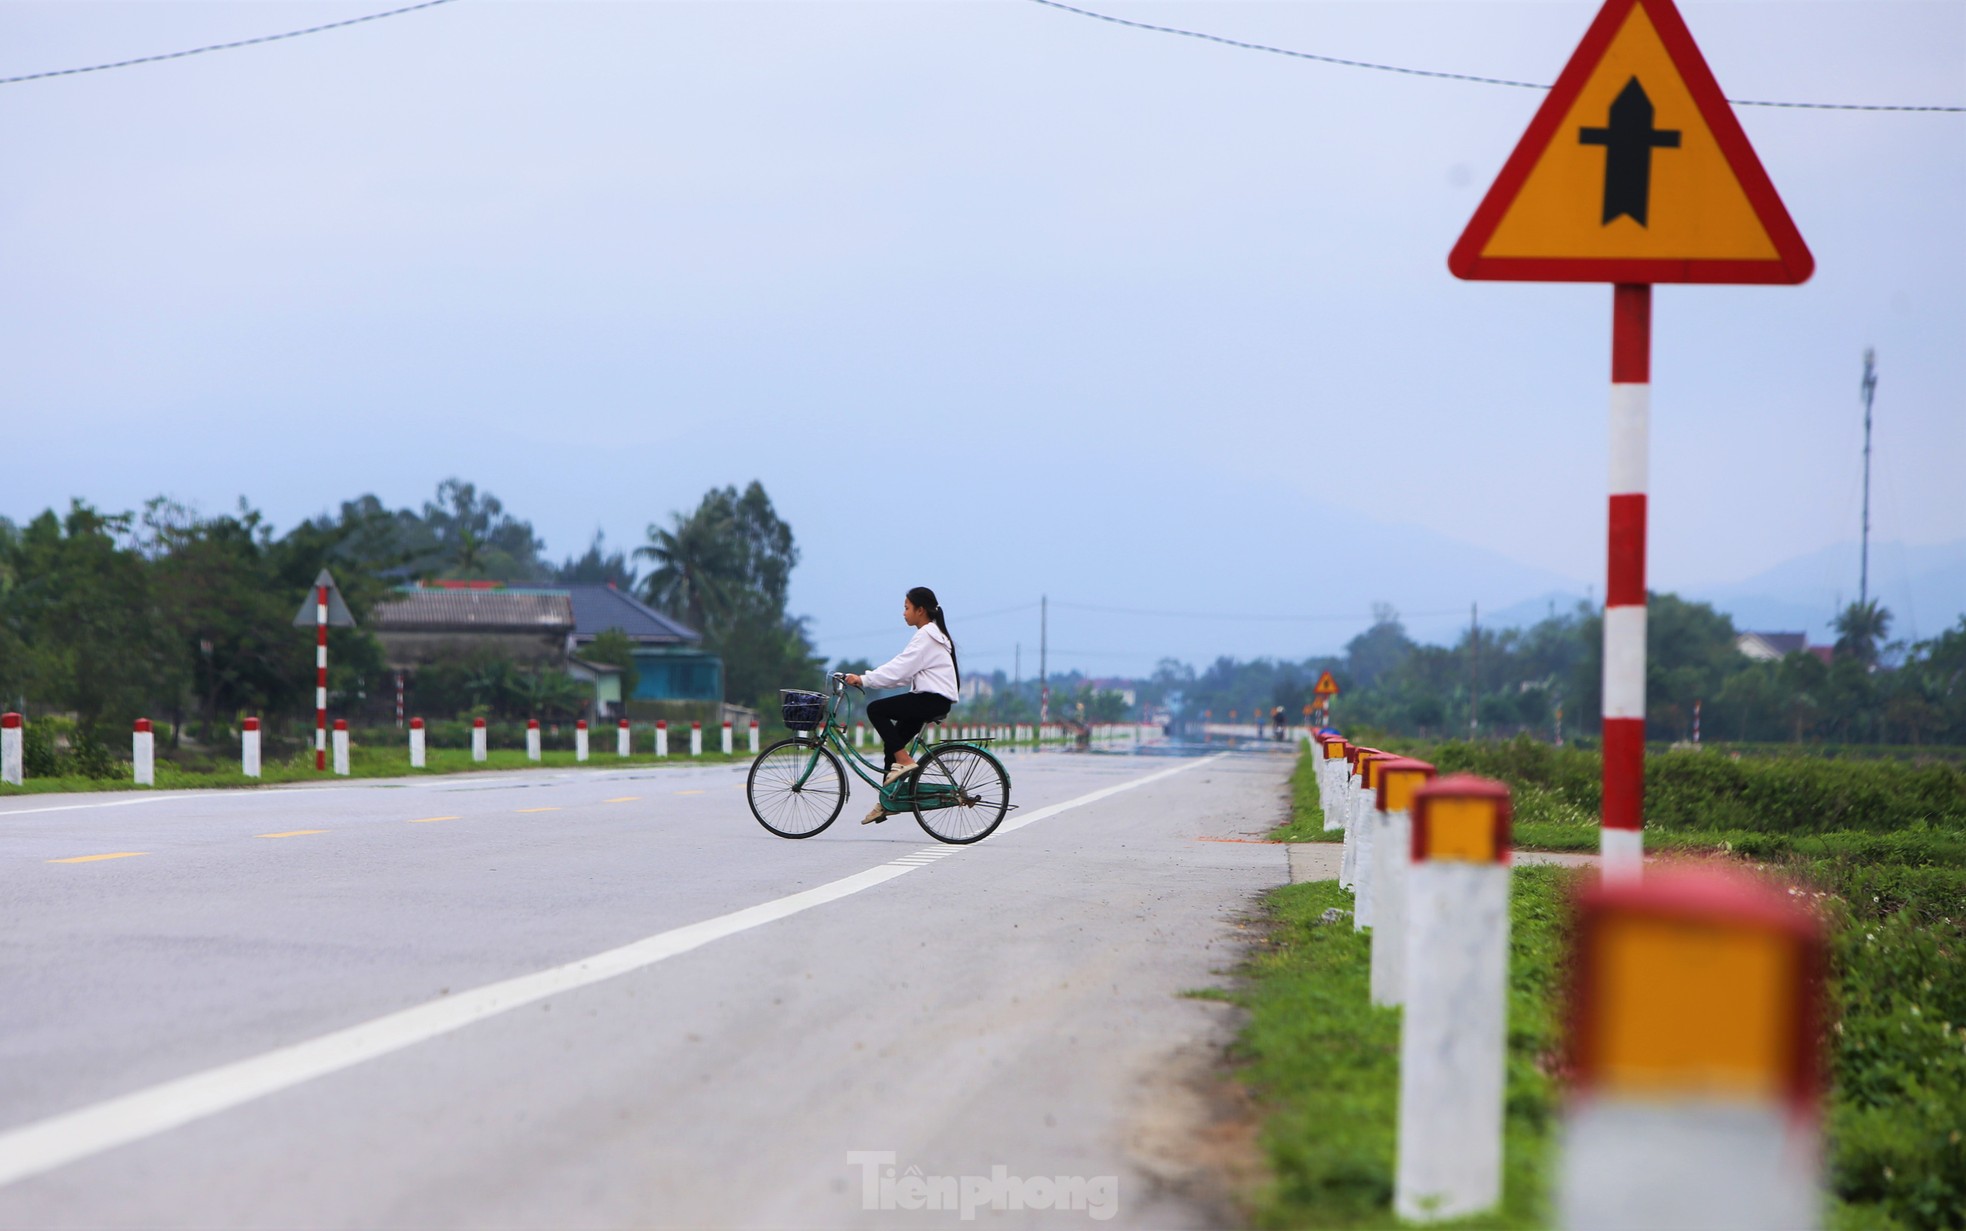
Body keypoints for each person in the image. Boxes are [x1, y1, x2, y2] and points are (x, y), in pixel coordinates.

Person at [842, 586, 960, 824]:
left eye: (906, 608)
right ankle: (889, 800)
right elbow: (906, 674)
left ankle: (905, 762)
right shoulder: (932, 634)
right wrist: (872, 679)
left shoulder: (927, 635)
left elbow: (901, 667)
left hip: (930, 699)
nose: (903, 613)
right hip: (931, 698)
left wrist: (864, 679)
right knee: (892, 745)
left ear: (920, 610)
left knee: (876, 710)